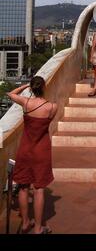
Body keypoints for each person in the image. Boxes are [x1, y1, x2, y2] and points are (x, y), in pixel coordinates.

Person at [7, 76, 57, 234]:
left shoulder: (26, 103)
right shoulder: (52, 107)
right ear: (43, 87)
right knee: (39, 189)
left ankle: (25, 223)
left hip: (25, 150)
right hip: (41, 151)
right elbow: (46, 124)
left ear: (32, 87)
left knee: (23, 187)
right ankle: (38, 228)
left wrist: (24, 86)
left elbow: (10, 93)